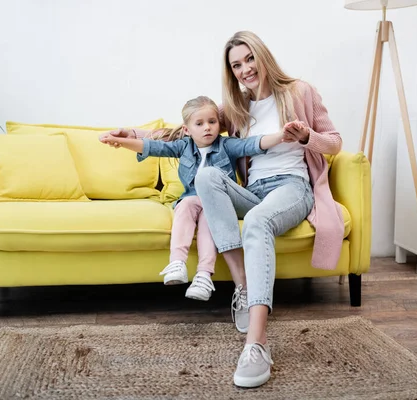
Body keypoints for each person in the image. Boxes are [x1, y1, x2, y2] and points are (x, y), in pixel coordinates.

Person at [191, 31, 345, 388]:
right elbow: (191, 129)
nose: (245, 69)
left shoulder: (300, 91)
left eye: (249, 59)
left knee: (258, 222)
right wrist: (136, 137)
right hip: (255, 191)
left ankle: (256, 344)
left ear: (262, 56)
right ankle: (243, 285)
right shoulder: (237, 108)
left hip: (292, 188)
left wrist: (306, 136)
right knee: (208, 176)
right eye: (236, 65)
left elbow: (334, 142)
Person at [99, 95, 291, 302]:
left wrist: (281, 135)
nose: (207, 128)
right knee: (185, 205)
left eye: (212, 122)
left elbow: (253, 144)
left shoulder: (227, 145)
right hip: (191, 198)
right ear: (187, 130)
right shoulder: (183, 146)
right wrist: (119, 141)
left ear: (219, 124)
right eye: (199, 124)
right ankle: (177, 263)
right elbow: (151, 147)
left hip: (216, 201)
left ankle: (204, 275)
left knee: (210, 217)